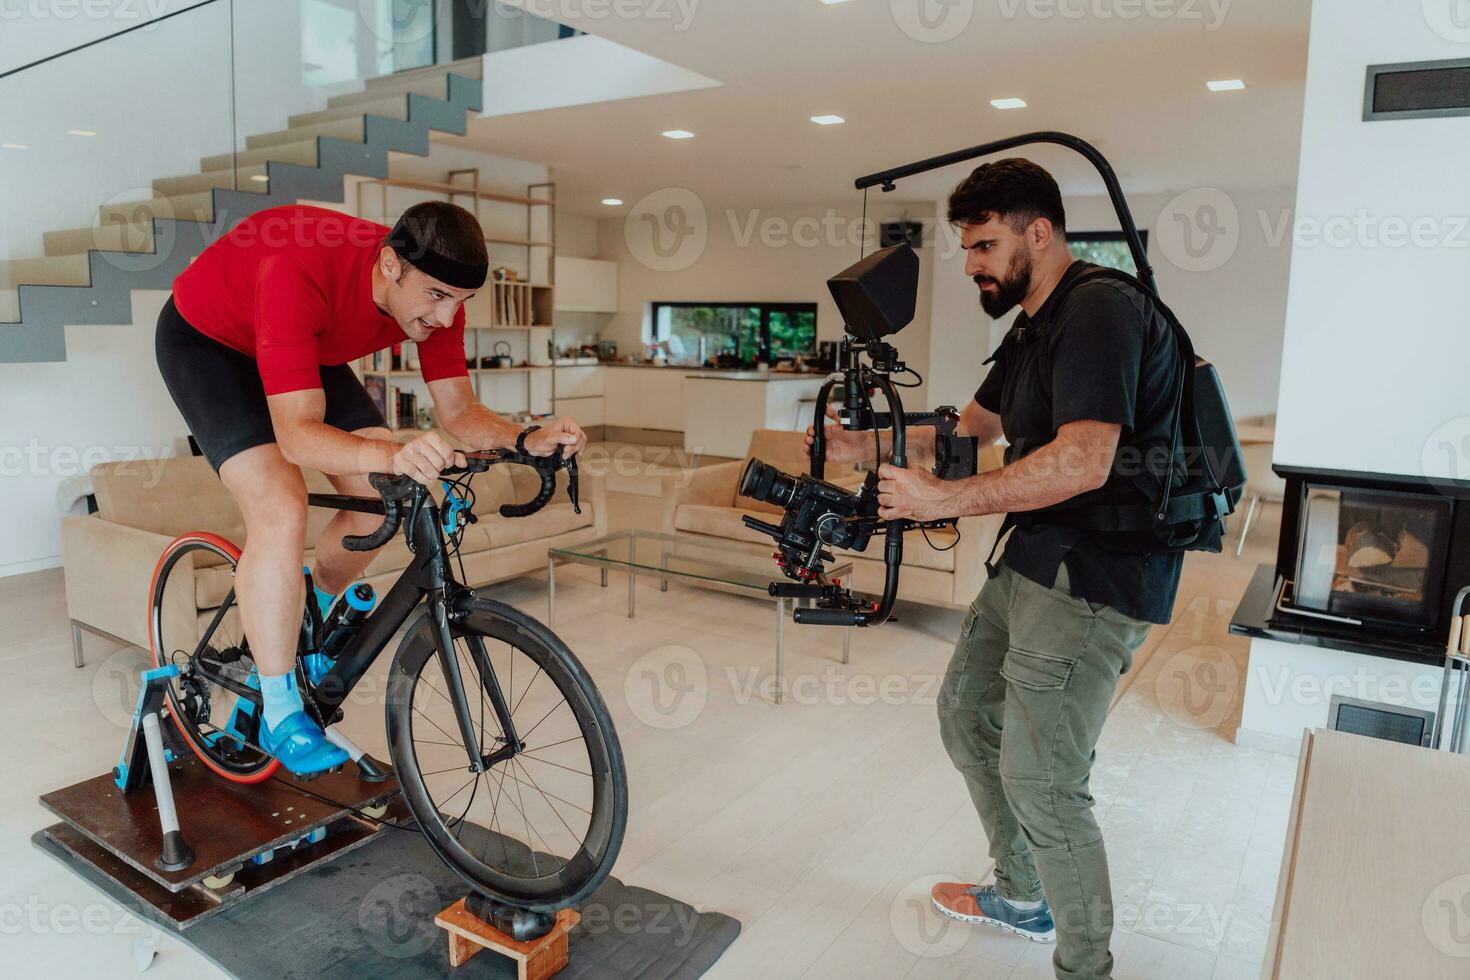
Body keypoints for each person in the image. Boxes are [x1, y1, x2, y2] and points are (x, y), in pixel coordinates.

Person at [808, 159, 1182, 979]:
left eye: (983, 245)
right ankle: (1022, 894)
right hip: (1034, 559)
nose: (973, 263)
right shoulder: (1033, 324)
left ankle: (1085, 966)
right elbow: (968, 427)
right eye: (966, 248)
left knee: (1043, 778)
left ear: (1037, 233)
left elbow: (1085, 460)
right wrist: (852, 446)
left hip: (1098, 575)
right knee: (964, 713)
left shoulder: (1099, 312)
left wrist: (942, 501)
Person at [155, 202, 586, 774]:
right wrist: (392, 450)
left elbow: (459, 410)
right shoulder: (298, 270)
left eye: (461, 303)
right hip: (209, 346)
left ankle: (306, 611)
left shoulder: (440, 302)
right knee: (282, 507)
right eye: (435, 296)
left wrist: (525, 437)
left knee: (386, 496)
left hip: (306, 341)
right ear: (388, 265)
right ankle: (279, 708)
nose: (447, 316)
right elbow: (297, 438)